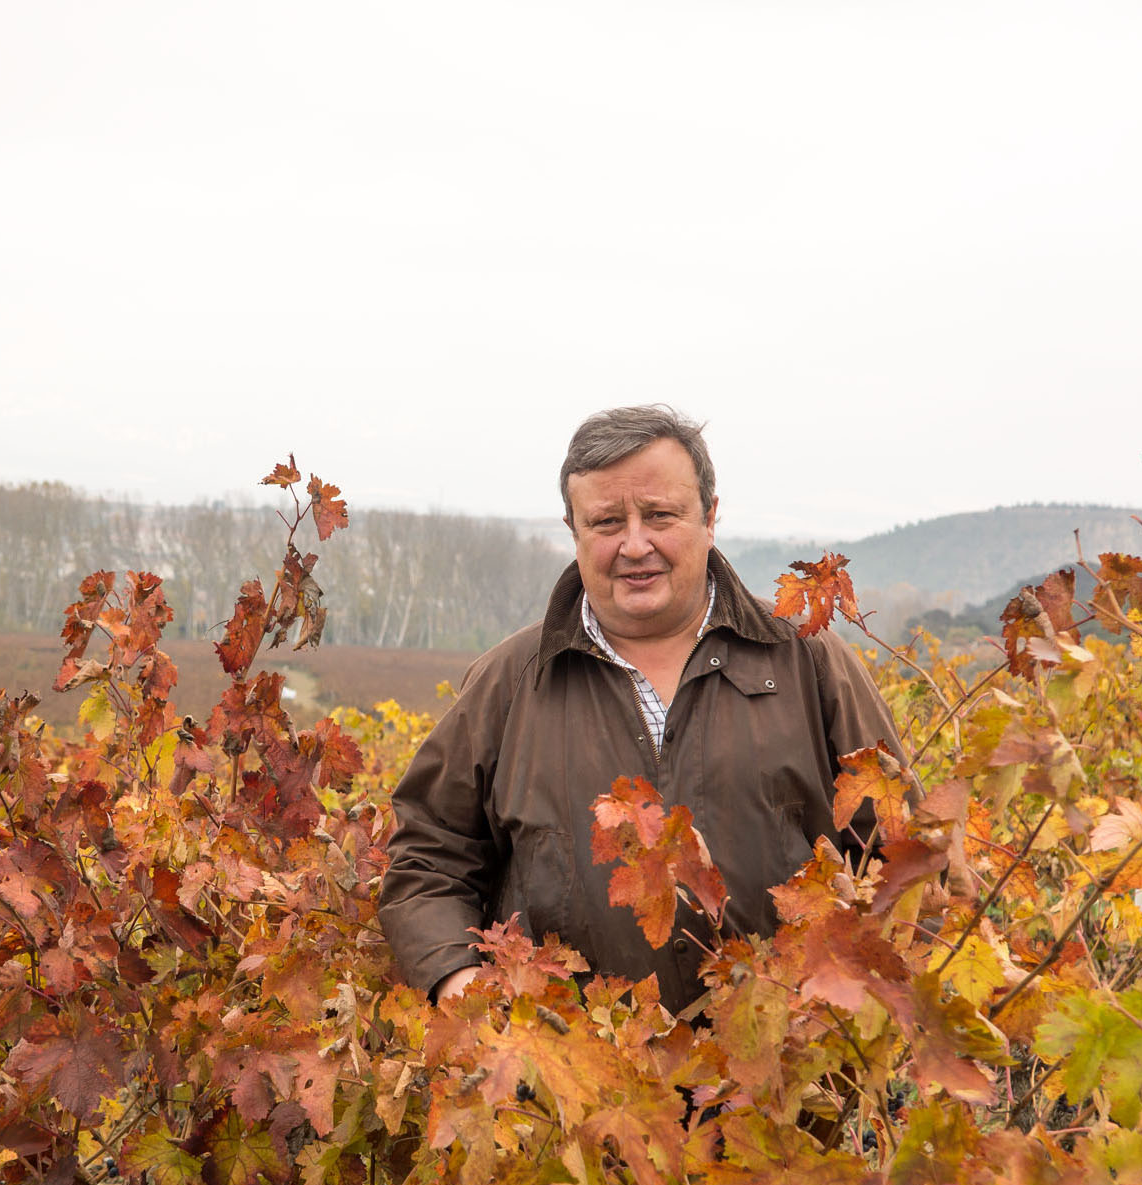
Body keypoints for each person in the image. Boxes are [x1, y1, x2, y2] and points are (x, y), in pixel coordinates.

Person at [377, 405, 909, 1012]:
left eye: (660, 515)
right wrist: (455, 979)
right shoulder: (510, 682)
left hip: (791, 1075)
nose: (635, 545)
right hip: (570, 1084)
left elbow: (901, 852)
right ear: (573, 529)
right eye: (606, 521)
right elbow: (428, 857)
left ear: (710, 517)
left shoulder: (805, 661)